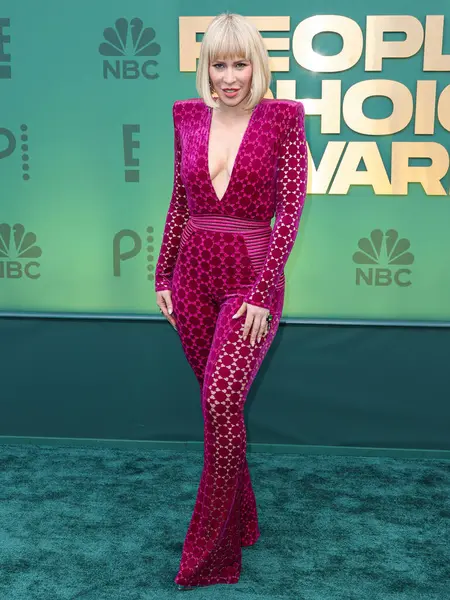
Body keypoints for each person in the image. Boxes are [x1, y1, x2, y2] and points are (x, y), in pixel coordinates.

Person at [155, 12, 308, 591]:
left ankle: (213, 553)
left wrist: (266, 292)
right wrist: (162, 277)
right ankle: (243, 519)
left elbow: (288, 214)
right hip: (192, 276)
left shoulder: (283, 119)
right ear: (205, 66)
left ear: (257, 64)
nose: (229, 76)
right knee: (218, 406)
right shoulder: (186, 116)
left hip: (251, 280)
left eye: (240, 62)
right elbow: (179, 199)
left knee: (220, 400)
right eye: (218, 63)